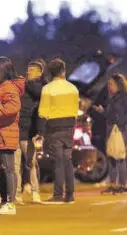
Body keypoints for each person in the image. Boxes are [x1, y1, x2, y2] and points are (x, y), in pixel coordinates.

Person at [0, 57, 25, 215]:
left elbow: (13, 108)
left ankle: (11, 203)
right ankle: (3, 202)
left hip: (5, 134)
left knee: (8, 169)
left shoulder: (9, 87)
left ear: (5, 71)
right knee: (0, 170)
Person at [37, 58, 79, 204]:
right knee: (67, 160)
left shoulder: (48, 89)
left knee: (58, 162)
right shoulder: (73, 88)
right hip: (69, 128)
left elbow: (43, 112)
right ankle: (70, 194)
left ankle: (57, 195)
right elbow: (75, 110)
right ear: (63, 71)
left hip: (54, 129)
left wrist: (40, 133)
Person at [94, 74, 127, 194]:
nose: (110, 87)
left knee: (120, 157)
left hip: (120, 129)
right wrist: (103, 111)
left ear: (119, 84)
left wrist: (119, 123)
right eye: (109, 84)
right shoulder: (113, 97)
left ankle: (123, 184)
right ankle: (112, 184)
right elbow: (110, 114)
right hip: (110, 128)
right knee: (111, 156)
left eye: (112, 84)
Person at [19, 59, 46, 203]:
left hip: (29, 130)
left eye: (33, 70)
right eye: (28, 70)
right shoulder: (21, 85)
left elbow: (39, 92)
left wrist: (26, 83)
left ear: (40, 73)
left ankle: (35, 192)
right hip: (17, 128)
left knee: (31, 162)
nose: (29, 73)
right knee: (15, 165)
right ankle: (16, 194)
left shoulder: (41, 86)